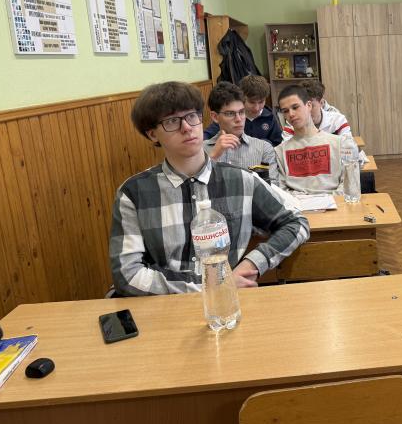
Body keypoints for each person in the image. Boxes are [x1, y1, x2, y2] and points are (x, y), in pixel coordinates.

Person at [110, 81, 309, 296]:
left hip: (227, 303)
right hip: (165, 306)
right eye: (171, 121)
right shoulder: (134, 193)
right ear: (152, 134)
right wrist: (213, 283)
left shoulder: (241, 180)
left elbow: (296, 223)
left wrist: (253, 263)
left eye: (191, 116)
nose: (187, 127)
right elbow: (127, 275)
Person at [203, 81, 278, 185]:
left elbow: (273, 188)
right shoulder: (200, 150)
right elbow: (194, 188)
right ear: (215, 117)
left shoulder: (263, 148)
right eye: (230, 113)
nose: (239, 119)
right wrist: (213, 156)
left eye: (242, 112)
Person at [275, 84, 344, 194]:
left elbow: (348, 184)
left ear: (309, 105)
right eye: (285, 111)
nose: (291, 114)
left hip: (335, 202)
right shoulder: (280, 151)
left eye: (295, 107)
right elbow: (281, 191)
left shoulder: (338, 143)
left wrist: (328, 200)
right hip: (297, 204)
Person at [204, 76, 283, 147]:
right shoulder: (229, 117)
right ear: (242, 98)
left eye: (261, 102)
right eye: (252, 102)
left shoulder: (270, 117)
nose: (256, 108)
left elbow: (278, 143)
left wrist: (263, 144)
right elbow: (206, 137)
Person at [282, 79, 351, 140]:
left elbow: (349, 147)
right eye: (303, 106)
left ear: (321, 103)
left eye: (311, 106)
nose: (307, 111)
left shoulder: (337, 120)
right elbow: (285, 149)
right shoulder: (293, 122)